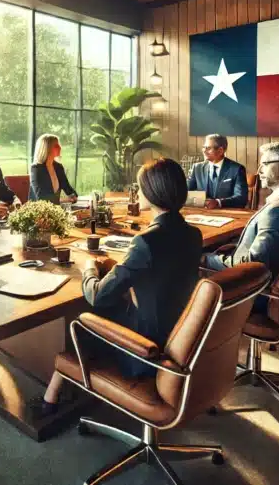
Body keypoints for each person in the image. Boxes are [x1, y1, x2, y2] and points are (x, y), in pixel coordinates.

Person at [31, 157, 203, 416]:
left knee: (84, 319)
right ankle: (52, 395)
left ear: (152, 192)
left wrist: (89, 267)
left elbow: (98, 296)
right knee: (111, 308)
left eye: (139, 186)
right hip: (179, 338)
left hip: (146, 350)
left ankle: (50, 400)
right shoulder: (192, 234)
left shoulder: (146, 242)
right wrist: (118, 267)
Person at [201, 141, 279, 282]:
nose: (259, 170)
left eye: (265, 164)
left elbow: (252, 265)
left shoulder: (277, 211)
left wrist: (206, 258)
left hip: (251, 293)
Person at [186, 133, 248, 209]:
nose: (204, 151)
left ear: (220, 150)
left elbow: (241, 199)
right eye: (203, 147)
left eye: (208, 148)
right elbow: (185, 192)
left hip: (228, 214)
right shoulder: (197, 168)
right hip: (201, 214)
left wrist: (218, 202)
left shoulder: (237, 169)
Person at [29, 133, 77, 204]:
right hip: (39, 211)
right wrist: (65, 200)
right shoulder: (36, 169)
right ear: (47, 148)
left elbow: (67, 187)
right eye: (56, 146)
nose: (60, 148)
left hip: (55, 210)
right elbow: (42, 198)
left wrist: (74, 196)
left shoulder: (58, 167)